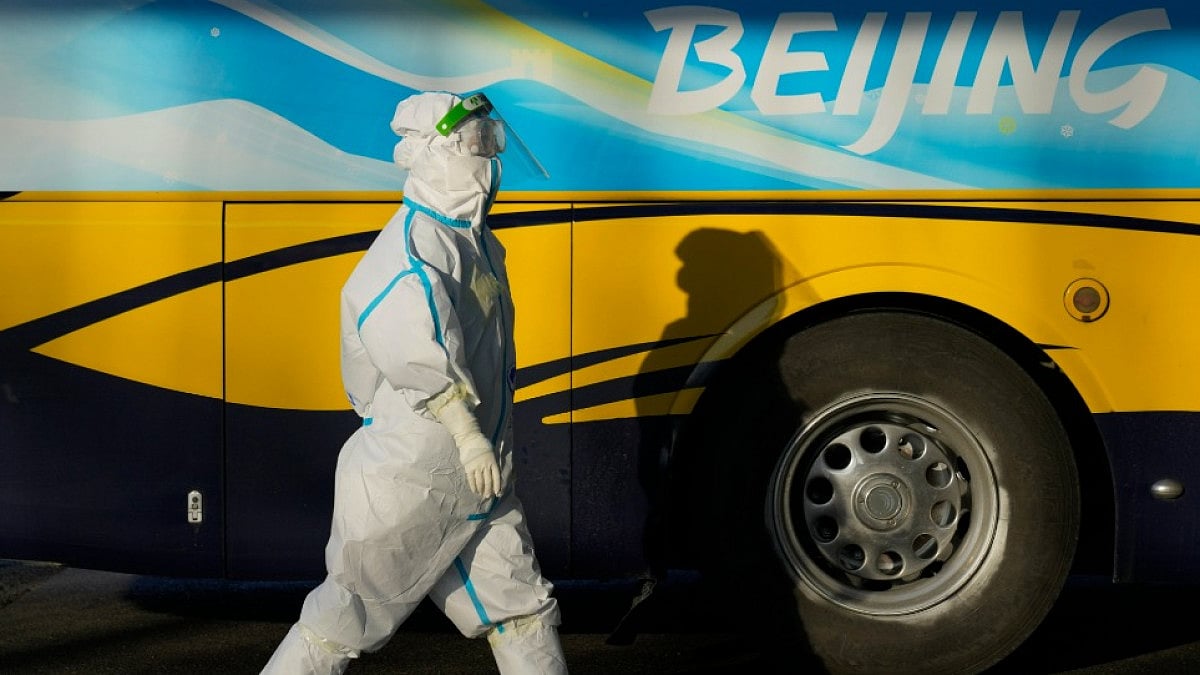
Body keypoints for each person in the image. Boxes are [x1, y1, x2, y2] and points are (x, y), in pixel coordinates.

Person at [262, 91, 566, 675]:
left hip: (476, 479)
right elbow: (413, 350)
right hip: (412, 476)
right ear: (433, 153)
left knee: (521, 608)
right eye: (478, 146)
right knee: (339, 622)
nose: (491, 159)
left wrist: (481, 447)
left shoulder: (471, 243)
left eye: (491, 143)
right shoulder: (410, 250)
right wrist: (468, 435)